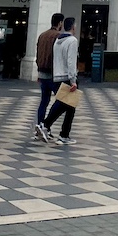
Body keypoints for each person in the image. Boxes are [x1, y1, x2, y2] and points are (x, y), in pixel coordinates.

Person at [37, 17, 79, 146]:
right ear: (73, 27)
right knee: (65, 104)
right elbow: (71, 62)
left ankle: (61, 132)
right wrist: (73, 80)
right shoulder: (72, 40)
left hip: (56, 75)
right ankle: (50, 127)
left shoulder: (58, 40)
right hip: (66, 76)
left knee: (68, 105)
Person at [33, 12, 63, 135]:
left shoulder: (42, 35)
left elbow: (38, 53)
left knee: (44, 101)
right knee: (62, 100)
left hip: (42, 72)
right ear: (60, 23)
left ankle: (40, 124)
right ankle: (46, 125)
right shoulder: (58, 36)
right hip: (53, 73)